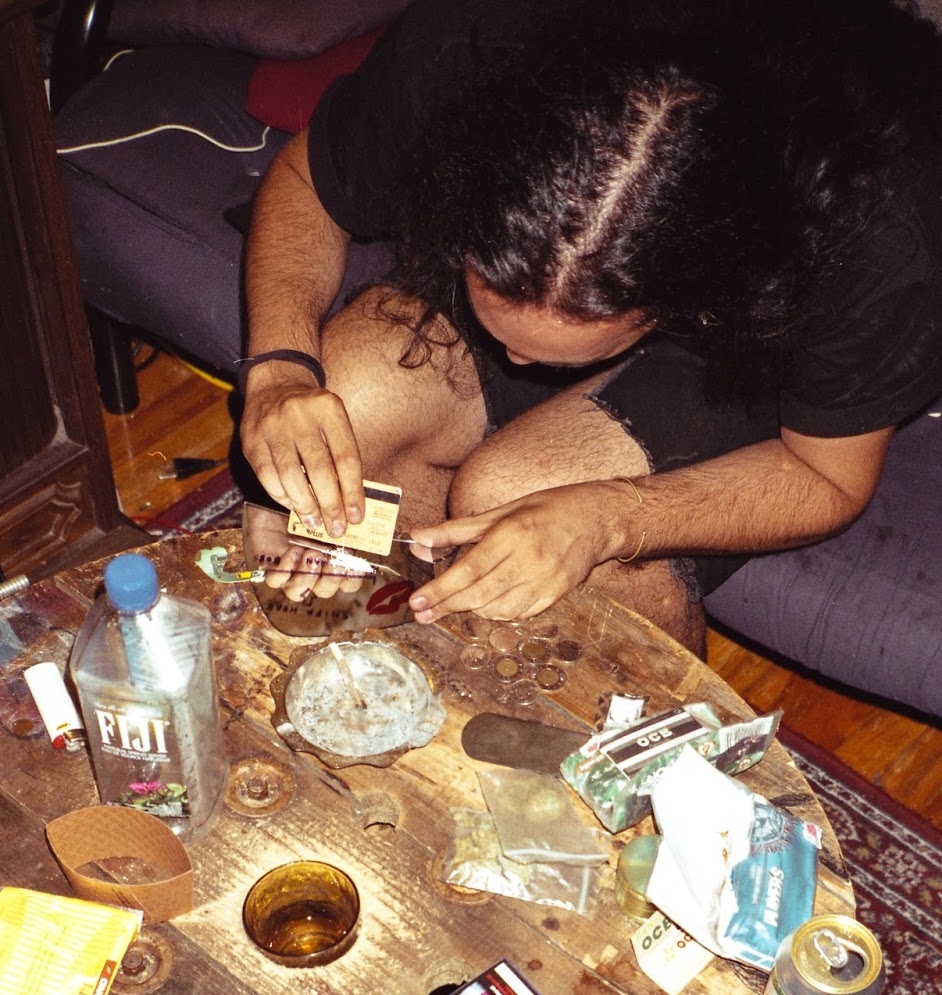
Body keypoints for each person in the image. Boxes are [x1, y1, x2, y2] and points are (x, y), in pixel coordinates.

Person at [239, 0, 942, 655]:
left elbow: (826, 478)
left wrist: (610, 519)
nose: (514, 362)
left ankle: (621, 731)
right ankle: (391, 662)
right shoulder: (479, 48)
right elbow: (308, 181)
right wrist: (278, 370)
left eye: (550, 348)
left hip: (762, 340)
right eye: (501, 319)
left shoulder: (875, 220)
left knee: (518, 496)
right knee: (351, 400)